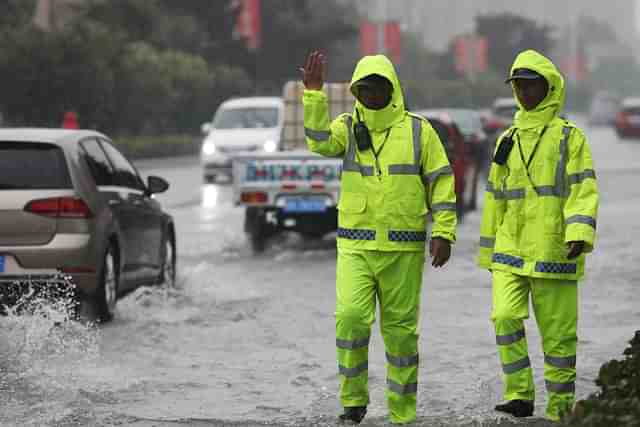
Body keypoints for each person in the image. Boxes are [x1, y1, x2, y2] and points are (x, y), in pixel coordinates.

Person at [301, 51, 457, 424]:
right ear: (356, 92)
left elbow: (441, 182)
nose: (370, 95)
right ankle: (353, 404)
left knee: (401, 337)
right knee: (351, 319)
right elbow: (320, 143)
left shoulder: (419, 130)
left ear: (392, 89)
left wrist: (444, 232)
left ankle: (402, 415)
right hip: (355, 245)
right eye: (364, 89)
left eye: (377, 88)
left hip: (403, 249)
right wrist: (313, 94)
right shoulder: (347, 126)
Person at [477, 50, 599, 421]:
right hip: (510, 250)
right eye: (519, 85)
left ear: (550, 87)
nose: (525, 92)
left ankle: (560, 408)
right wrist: (488, 253)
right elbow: (495, 196)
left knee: (559, 337)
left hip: (554, 247)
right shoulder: (507, 140)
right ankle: (519, 394)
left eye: (532, 84)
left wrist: (579, 232)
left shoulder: (569, 138)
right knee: (503, 317)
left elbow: (584, 189)